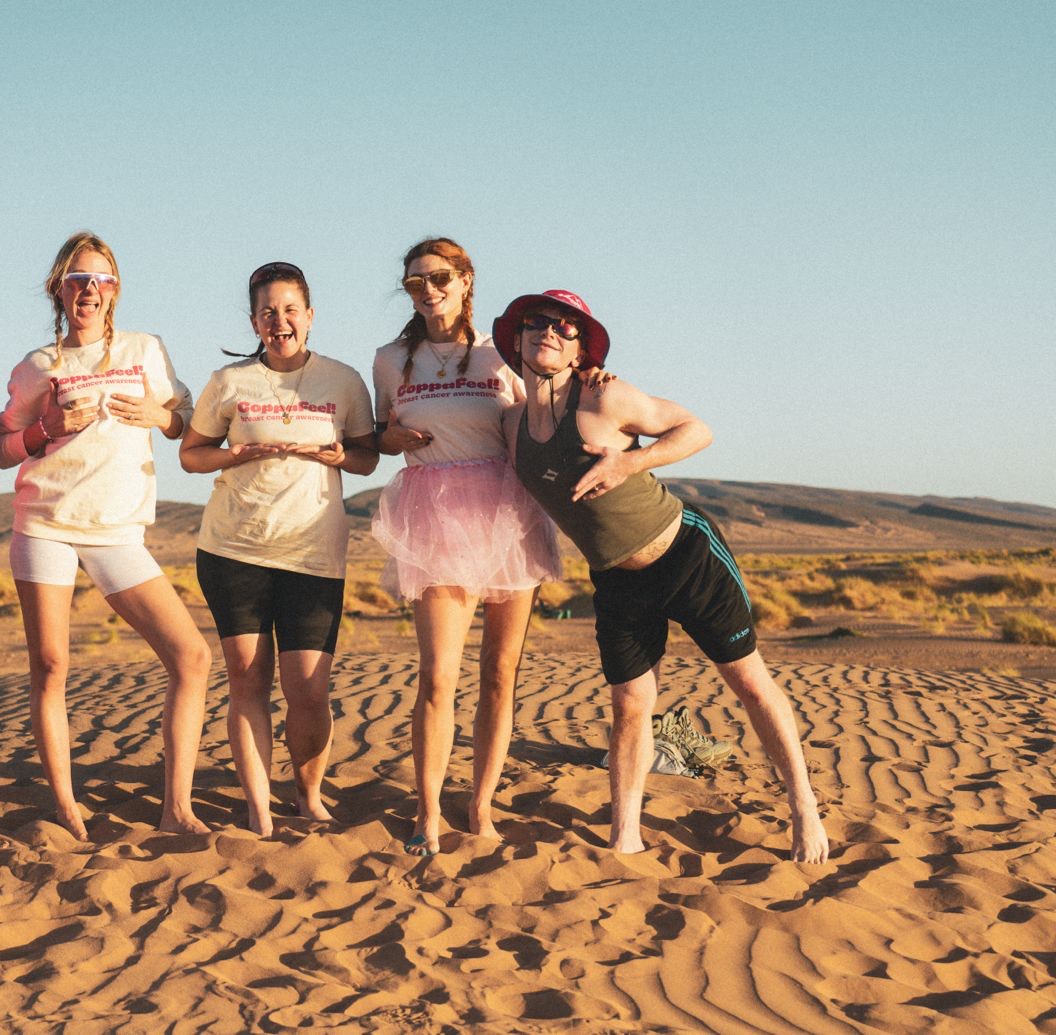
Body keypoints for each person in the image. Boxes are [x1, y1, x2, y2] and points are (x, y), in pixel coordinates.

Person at [494, 287, 830, 862]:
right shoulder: (510, 424)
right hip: (617, 580)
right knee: (629, 703)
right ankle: (625, 835)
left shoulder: (606, 399)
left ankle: (804, 810)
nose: (548, 330)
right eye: (536, 322)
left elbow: (697, 429)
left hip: (685, 556)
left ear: (579, 349)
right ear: (518, 339)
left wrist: (631, 459)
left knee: (748, 683)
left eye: (564, 326)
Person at [0, 231, 211, 841]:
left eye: (101, 279)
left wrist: (162, 417)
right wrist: (43, 428)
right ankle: (65, 805)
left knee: (191, 657)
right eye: (77, 279)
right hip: (45, 526)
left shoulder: (145, 349)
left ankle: (177, 809)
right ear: (58, 290)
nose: (89, 289)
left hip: (118, 532)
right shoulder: (38, 366)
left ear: (115, 291)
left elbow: (189, 422)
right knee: (52, 665)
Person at [371, 237, 563, 856]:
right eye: (414, 283)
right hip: (433, 517)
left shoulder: (500, 355)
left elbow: (547, 415)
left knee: (500, 672)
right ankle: (427, 813)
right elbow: (380, 435)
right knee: (438, 675)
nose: (427, 291)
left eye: (438, 278)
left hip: (507, 512)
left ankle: (480, 807)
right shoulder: (390, 358)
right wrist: (392, 437)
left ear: (465, 279)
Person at [180, 262, 378, 835]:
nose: (279, 320)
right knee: (247, 680)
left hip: (314, 555)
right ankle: (258, 806)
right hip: (233, 550)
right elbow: (192, 455)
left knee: (308, 689)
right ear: (254, 321)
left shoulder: (342, 382)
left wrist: (343, 458)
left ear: (310, 317)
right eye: (267, 311)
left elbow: (367, 457)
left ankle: (308, 795)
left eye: (290, 309)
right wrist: (231, 456)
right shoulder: (229, 382)